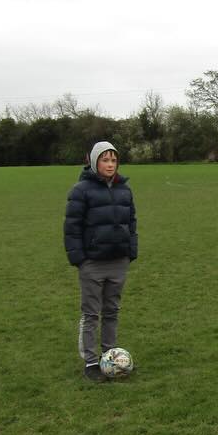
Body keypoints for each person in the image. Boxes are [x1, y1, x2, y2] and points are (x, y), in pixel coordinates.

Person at [63, 141, 138, 381]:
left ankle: (110, 355)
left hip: (118, 261)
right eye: (105, 160)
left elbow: (132, 223)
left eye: (113, 160)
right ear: (94, 162)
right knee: (91, 314)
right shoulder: (80, 191)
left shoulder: (125, 190)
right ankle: (91, 362)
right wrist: (80, 260)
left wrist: (130, 251)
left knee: (112, 311)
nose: (110, 165)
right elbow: (71, 228)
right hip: (92, 263)